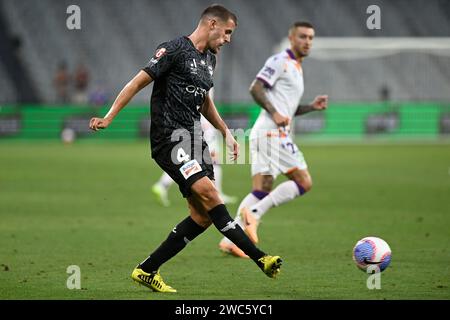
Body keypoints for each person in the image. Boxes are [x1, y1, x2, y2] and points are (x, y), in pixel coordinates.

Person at [89, 5, 282, 293]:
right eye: (228, 32)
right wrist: (109, 116)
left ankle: (146, 269)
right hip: (169, 138)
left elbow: (204, 101)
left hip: (195, 141)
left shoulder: (209, 60)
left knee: (202, 216)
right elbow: (136, 82)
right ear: (213, 24)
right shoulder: (174, 49)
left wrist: (226, 132)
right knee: (210, 194)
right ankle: (261, 258)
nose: (229, 39)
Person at [219, 22, 328, 258]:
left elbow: (286, 108)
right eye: (303, 37)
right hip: (271, 134)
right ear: (291, 38)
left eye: (311, 37)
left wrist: (311, 107)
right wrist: (274, 112)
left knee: (261, 188)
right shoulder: (280, 61)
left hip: (264, 134)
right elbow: (256, 88)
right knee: (304, 182)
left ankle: (230, 240)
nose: (307, 41)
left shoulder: (297, 68)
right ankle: (254, 215)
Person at [152, 113, 237, 207]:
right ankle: (217, 194)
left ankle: (162, 185)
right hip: (201, 117)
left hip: (192, 117)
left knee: (188, 159)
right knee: (211, 158)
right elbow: (205, 102)